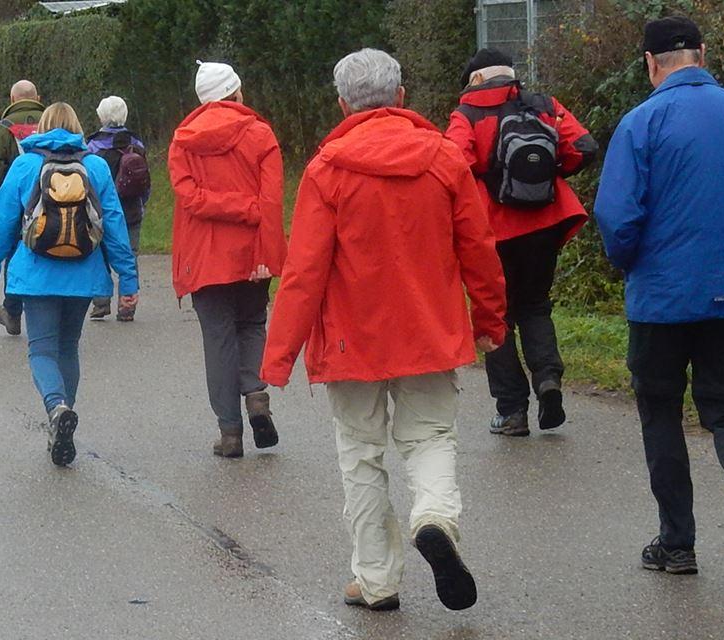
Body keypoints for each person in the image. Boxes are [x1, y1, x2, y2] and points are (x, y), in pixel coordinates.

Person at [261, 49, 506, 612]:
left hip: (352, 340)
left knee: (361, 455)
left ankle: (375, 581)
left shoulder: (327, 170)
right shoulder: (444, 159)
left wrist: (278, 356)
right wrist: (490, 320)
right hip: (429, 330)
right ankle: (434, 518)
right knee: (430, 438)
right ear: (400, 97)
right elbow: (479, 249)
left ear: (342, 104)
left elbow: (304, 271)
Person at [594, 16, 724, 578]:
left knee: (660, 413)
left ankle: (677, 544)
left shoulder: (641, 122)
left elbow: (616, 216)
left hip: (660, 300)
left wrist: (632, 262)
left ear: (650, 63)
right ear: (702, 54)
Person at [444, 48, 600, 437]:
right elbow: (584, 147)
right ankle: (548, 380)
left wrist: (487, 181)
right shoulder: (544, 105)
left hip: (491, 231)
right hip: (546, 221)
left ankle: (512, 410)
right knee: (535, 305)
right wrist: (546, 176)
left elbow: (452, 165)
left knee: (496, 316)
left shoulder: (466, 114)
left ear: (475, 79)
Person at [0, 103, 139, 467]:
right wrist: (127, 280)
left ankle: (57, 408)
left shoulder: (26, 165)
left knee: (41, 350)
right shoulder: (95, 166)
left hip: (36, 276)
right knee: (68, 347)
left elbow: (2, 222)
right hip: (83, 273)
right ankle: (64, 417)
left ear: (43, 127)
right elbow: (114, 224)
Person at [169, 62, 288, 459]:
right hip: (252, 253)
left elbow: (189, 198)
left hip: (204, 257)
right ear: (236, 92)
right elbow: (271, 202)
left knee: (218, 339)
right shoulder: (260, 134)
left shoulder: (183, 141)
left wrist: (229, 205)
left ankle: (230, 432)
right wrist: (262, 240)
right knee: (252, 324)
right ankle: (256, 395)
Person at [0, 80, 47, 336]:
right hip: (55, 200)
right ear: (37, 98)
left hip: (17, 203)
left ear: (12, 98)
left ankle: (13, 311)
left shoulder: (1, 130)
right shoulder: (54, 123)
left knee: (15, 253)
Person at [83, 95, 150, 321]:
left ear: (101, 116)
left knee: (99, 252)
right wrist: (142, 203)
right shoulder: (136, 144)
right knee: (130, 254)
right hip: (132, 209)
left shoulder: (93, 146)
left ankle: (101, 301)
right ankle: (127, 303)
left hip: (100, 212)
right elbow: (146, 181)